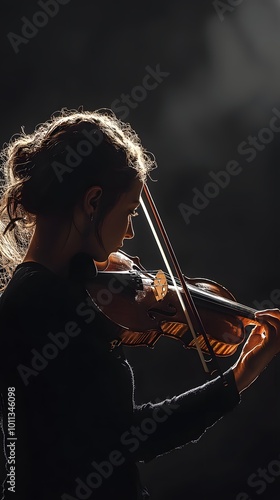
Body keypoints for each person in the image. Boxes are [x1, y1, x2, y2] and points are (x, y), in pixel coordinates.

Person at [0, 108, 279, 500]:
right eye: (129, 212)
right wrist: (240, 375)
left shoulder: (37, 293)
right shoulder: (48, 303)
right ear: (93, 201)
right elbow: (129, 438)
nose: (130, 232)